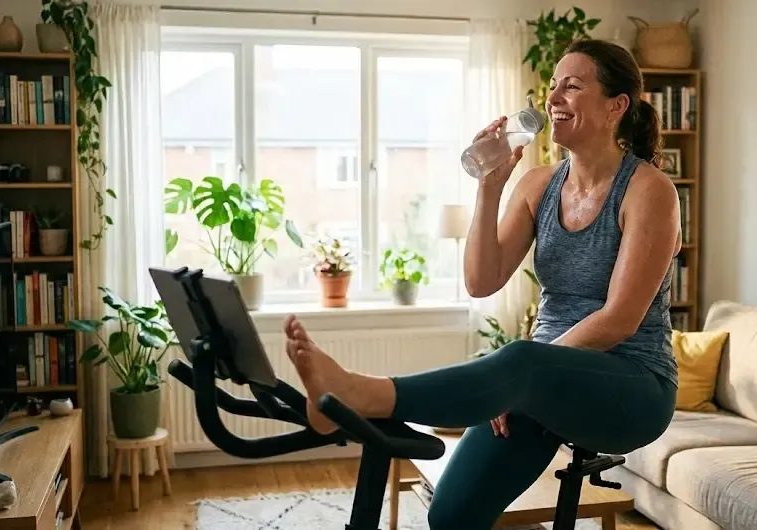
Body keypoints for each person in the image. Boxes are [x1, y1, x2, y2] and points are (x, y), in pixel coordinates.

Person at [284, 38, 681, 530]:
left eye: (573, 87)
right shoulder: (539, 184)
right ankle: (376, 394)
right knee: (452, 514)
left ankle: (362, 393)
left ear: (616, 106)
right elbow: (480, 281)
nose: (554, 98)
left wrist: (522, 377)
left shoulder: (648, 190)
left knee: (520, 358)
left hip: (634, 387)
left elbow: (619, 319)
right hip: (539, 377)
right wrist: (489, 187)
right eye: (553, 87)